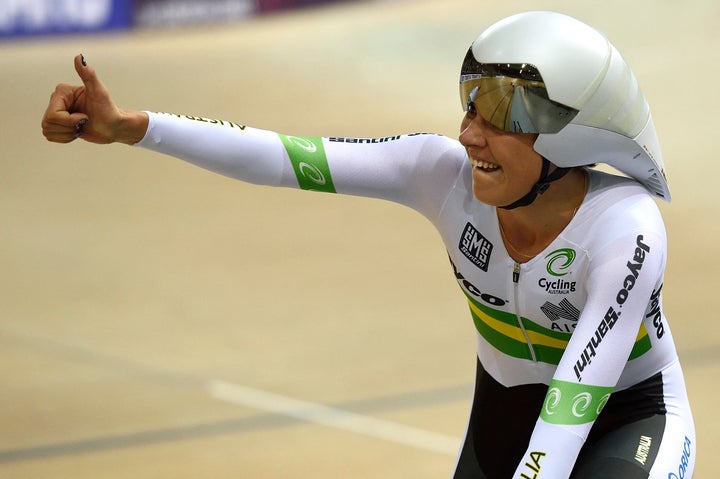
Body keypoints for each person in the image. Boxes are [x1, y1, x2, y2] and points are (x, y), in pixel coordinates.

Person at [41, 10, 695, 479]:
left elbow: (574, 401)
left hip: (625, 418)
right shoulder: (437, 173)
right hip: (506, 414)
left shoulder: (624, 229)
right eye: (468, 107)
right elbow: (279, 157)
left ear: (567, 142)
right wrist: (132, 127)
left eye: (496, 119)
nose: (467, 135)